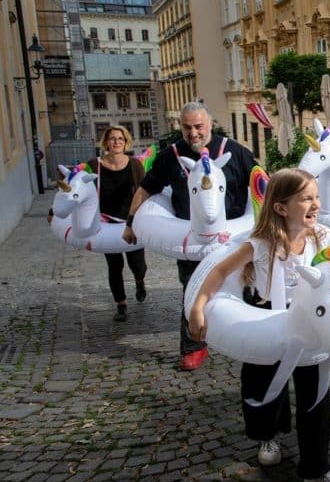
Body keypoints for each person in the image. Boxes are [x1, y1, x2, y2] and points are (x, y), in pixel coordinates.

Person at [189, 169, 330, 482]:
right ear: (280, 207)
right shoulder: (260, 244)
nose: (316, 203)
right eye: (306, 198)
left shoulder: (322, 236)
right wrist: (198, 305)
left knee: (316, 400)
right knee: (261, 389)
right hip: (266, 319)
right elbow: (222, 270)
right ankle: (268, 437)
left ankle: (316, 469)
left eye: (316, 196)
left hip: (311, 322)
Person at [123, 102, 257, 371]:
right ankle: (193, 346)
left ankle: (252, 340)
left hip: (235, 237)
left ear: (210, 124)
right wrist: (130, 223)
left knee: (248, 287)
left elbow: (261, 185)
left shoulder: (236, 152)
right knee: (192, 290)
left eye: (199, 126)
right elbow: (146, 189)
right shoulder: (170, 156)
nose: (193, 133)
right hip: (191, 240)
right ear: (180, 127)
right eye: (187, 127)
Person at [80, 125, 148, 322]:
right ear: (106, 142)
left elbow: (144, 191)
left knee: (138, 264)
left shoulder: (135, 165)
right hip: (106, 223)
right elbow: (79, 189)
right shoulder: (95, 164)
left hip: (130, 221)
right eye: (112, 138)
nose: (117, 142)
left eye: (120, 138)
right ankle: (121, 304)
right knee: (114, 265)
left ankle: (140, 281)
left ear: (126, 142)